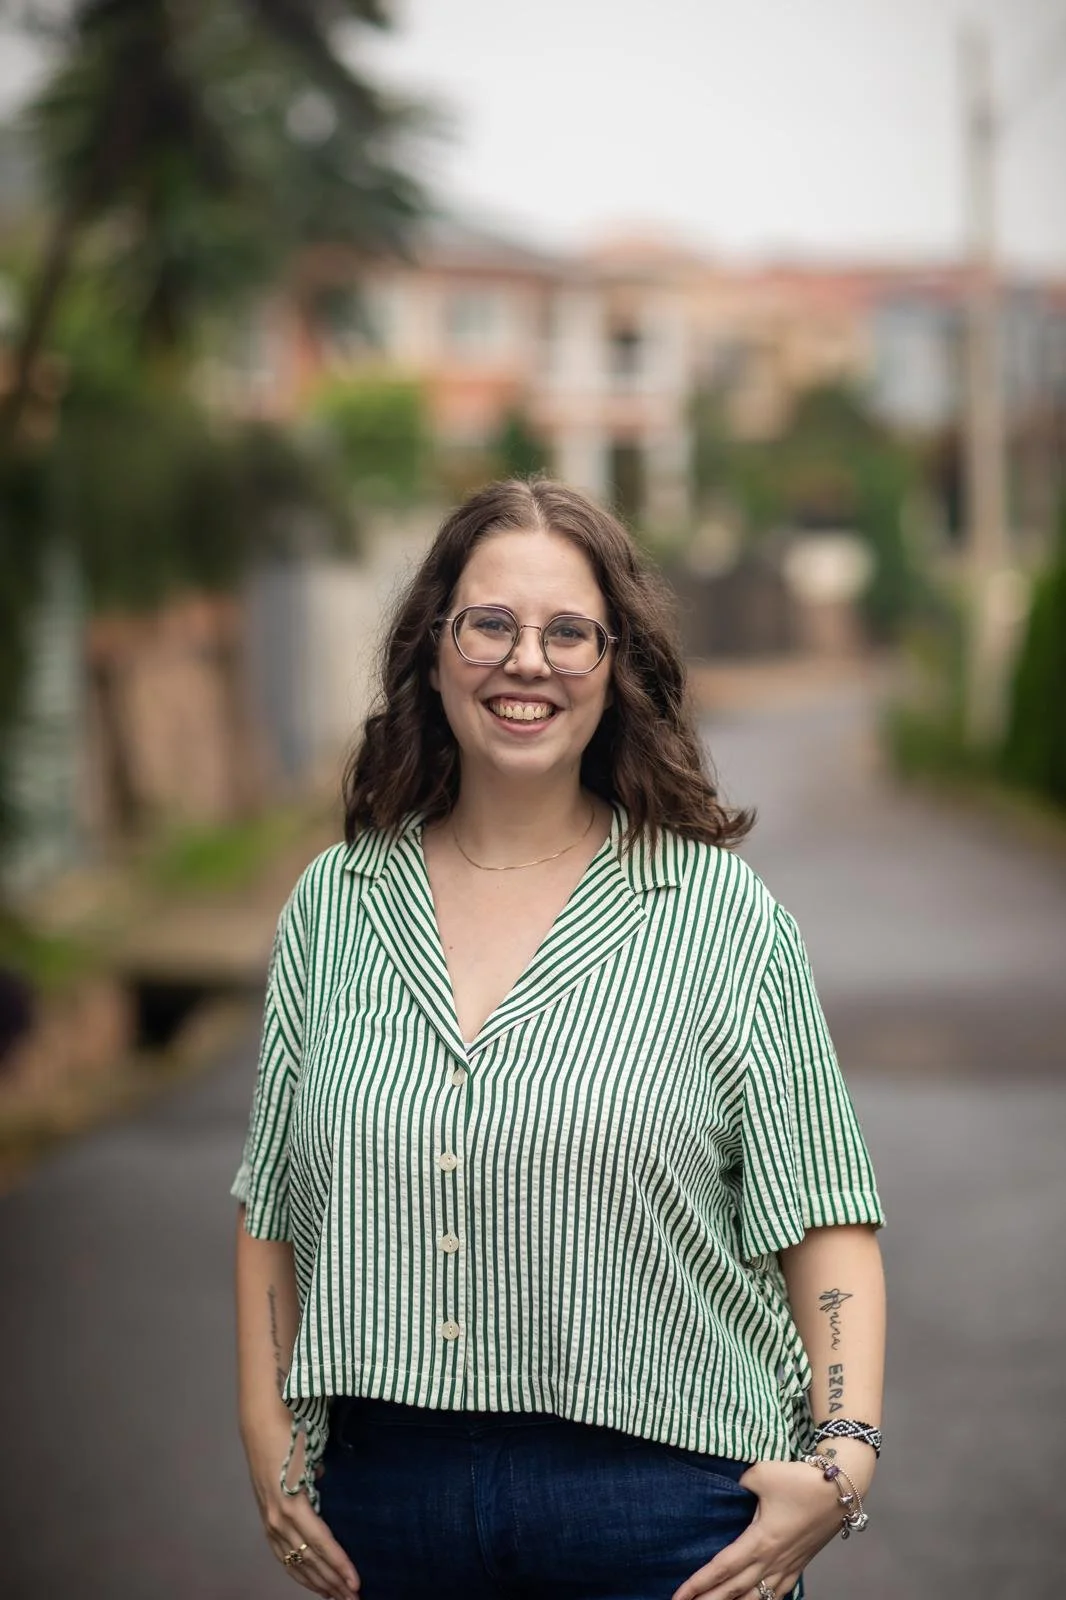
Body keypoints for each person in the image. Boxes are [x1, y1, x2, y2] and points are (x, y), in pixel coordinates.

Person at [233, 478, 886, 1600]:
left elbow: (823, 1216)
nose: (524, 661)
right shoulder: (333, 908)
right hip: (388, 1508)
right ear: (432, 650)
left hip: (672, 1509)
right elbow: (274, 1208)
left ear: (614, 665)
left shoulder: (720, 919)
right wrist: (265, 1431)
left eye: (567, 632)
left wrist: (841, 1457)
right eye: (490, 622)